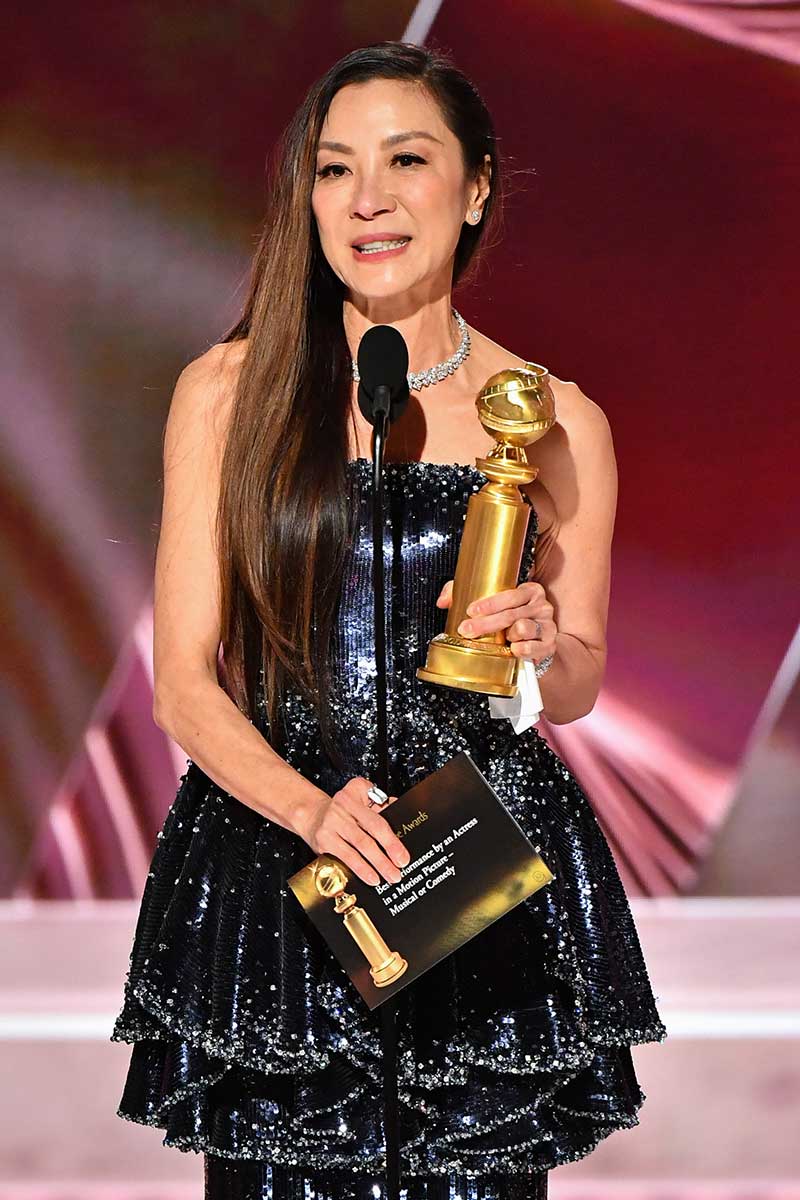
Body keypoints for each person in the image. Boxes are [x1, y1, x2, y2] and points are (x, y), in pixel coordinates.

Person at [110, 40, 667, 1200]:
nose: (364, 200)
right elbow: (181, 682)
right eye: (331, 169)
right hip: (281, 872)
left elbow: (575, 682)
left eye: (405, 160)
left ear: (472, 189)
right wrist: (312, 811)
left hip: (474, 882)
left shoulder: (557, 420)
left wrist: (529, 646)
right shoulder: (228, 391)